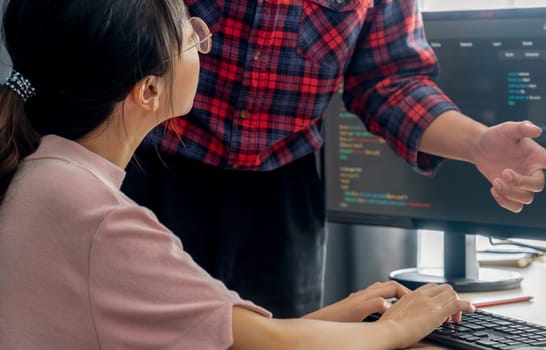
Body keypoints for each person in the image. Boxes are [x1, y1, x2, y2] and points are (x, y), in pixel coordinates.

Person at [0, 0, 473, 348]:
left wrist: (344, 315)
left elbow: (222, 334)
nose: (204, 42)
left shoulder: (48, 179)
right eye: (191, 35)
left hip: (277, 184)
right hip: (170, 171)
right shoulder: (108, 224)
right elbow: (258, 342)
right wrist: (396, 329)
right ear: (148, 90)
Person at [123, 0, 546, 318]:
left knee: (282, 335)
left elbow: (388, 80)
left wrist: (478, 144)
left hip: (280, 192)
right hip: (147, 165)